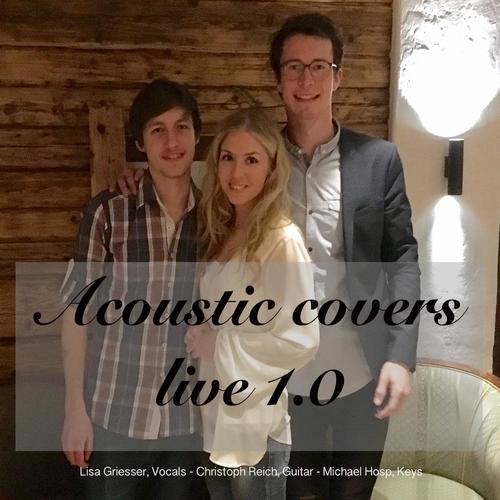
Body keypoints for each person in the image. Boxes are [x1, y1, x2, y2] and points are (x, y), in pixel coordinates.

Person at [113, 13, 420, 500]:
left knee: (353, 494)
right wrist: (134, 177)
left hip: (361, 370)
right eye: (293, 67)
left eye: (318, 67)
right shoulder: (255, 154)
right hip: (282, 385)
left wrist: (401, 357)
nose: (306, 80)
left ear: (338, 76)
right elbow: (191, 182)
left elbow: (401, 257)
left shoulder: (377, 160)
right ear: (278, 79)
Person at [60, 79, 203, 499]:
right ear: (140, 143)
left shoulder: (215, 219)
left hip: (186, 421)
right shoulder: (109, 212)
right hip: (114, 414)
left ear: (196, 135)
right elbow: (75, 314)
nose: (172, 142)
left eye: (181, 127)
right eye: (158, 130)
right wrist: (74, 410)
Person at [184, 108, 319, 500]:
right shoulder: (221, 231)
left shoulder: (282, 241)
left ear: (272, 168)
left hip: (256, 428)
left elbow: (302, 340)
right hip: (215, 418)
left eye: (252, 160)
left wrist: (219, 344)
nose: (237, 173)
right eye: (228, 158)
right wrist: (202, 330)